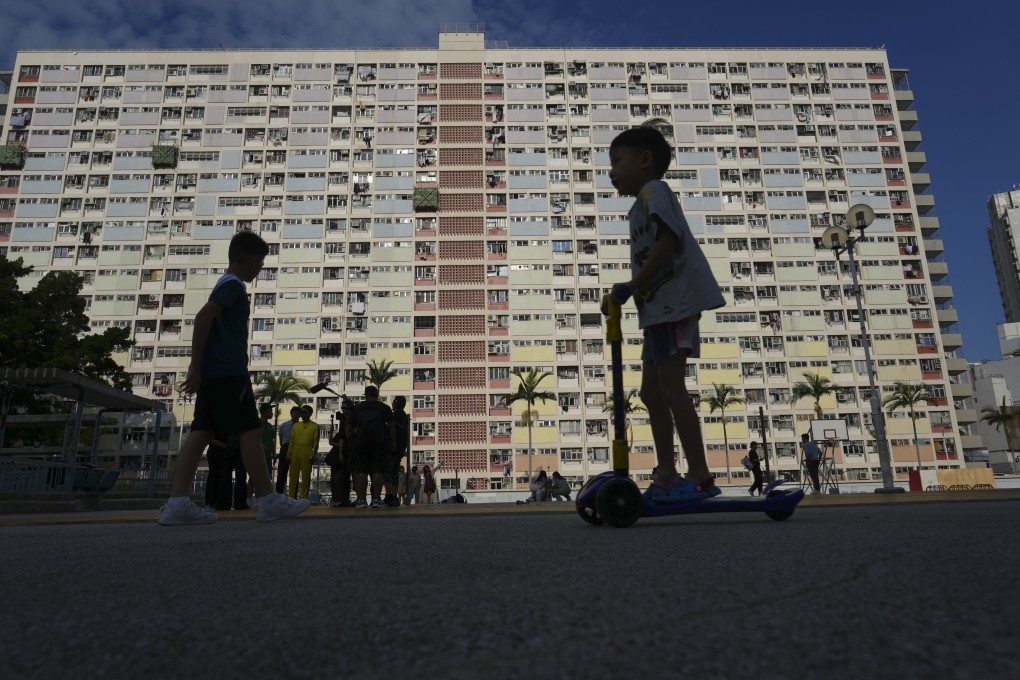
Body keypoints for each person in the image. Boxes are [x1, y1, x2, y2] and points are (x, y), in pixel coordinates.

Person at [601, 120, 725, 504]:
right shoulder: (638, 208)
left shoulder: (655, 192)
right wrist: (632, 290)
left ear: (644, 160)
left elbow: (669, 242)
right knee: (650, 394)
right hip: (657, 311)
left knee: (671, 389)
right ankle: (667, 474)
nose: (611, 171)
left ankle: (700, 475)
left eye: (617, 161)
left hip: (674, 306)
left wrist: (630, 286)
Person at [158, 231, 309, 524]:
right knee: (250, 431)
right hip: (228, 372)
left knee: (201, 432)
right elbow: (203, 318)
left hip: (216, 373)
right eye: (261, 263)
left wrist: (199, 368)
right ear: (252, 260)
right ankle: (267, 500)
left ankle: (176, 503)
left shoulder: (224, 284)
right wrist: (194, 366)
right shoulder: (233, 286)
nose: (260, 269)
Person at [347, 385, 396, 508]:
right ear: (377, 395)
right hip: (379, 444)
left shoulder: (359, 408)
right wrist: (393, 442)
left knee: (361, 472)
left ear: (366, 395)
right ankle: (376, 499)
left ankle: (361, 500)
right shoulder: (384, 408)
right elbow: (391, 427)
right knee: (377, 472)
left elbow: (349, 429)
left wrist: (355, 433)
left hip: (361, 444)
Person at [288, 405, 319, 500]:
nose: (302, 414)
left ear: (310, 413)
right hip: (295, 453)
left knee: (306, 477)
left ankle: (303, 497)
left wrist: (313, 456)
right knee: (293, 477)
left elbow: (316, 443)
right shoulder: (296, 426)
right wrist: (289, 454)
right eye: (301, 412)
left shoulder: (314, 426)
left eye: (305, 412)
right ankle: (291, 497)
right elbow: (291, 441)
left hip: (307, 453)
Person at [385, 395, 409, 507]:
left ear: (397, 403)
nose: (392, 403)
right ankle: (394, 497)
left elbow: (391, 428)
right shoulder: (403, 416)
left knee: (387, 472)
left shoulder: (396, 415)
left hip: (392, 449)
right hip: (399, 450)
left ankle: (389, 495)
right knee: (394, 473)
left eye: (394, 401)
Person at [216, 434, 248, 510]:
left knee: (225, 478)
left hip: (228, 449)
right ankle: (240, 503)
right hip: (240, 450)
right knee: (241, 478)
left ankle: (223, 504)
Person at [275, 406, 300, 494]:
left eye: (298, 413)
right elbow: (281, 438)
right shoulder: (284, 425)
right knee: (281, 474)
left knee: (294, 475)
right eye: (294, 413)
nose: (296, 415)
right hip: (285, 448)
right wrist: (285, 447)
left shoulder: (301, 426)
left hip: (296, 450)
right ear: (291, 414)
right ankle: (278, 495)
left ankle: (293, 496)